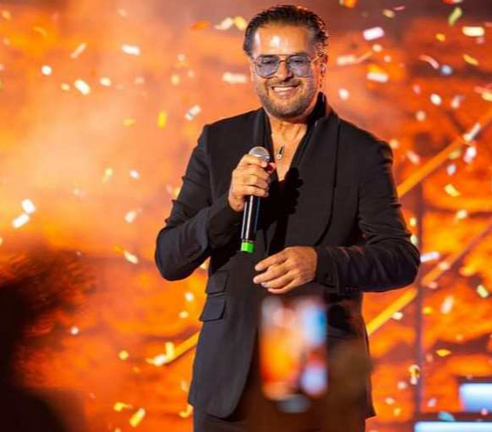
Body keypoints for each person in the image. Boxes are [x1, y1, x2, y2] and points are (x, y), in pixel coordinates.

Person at [154, 5, 420, 432]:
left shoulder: (361, 152)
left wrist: (320, 263)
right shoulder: (218, 141)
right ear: (252, 66)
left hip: (319, 378)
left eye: (297, 60)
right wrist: (229, 205)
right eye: (268, 62)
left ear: (321, 64)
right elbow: (169, 258)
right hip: (229, 380)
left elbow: (400, 259)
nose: (282, 74)